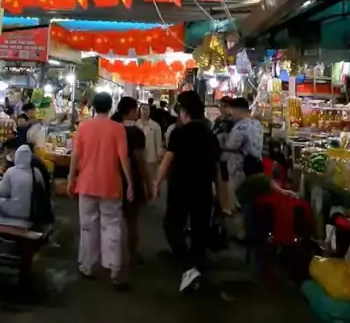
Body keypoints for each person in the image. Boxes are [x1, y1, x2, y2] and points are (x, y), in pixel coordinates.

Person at [154, 91, 220, 293]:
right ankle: (195, 264)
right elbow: (218, 168)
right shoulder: (210, 135)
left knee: (173, 224)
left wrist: (157, 182)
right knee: (200, 228)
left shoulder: (179, 133)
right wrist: (223, 194)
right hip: (204, 189)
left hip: (180, 188)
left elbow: (168, 160)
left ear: (184, 112)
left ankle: (188, 265)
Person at [67, 93, 133, 287]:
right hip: (110, 184)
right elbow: (123, 158)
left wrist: (70, 179)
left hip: (87, 183)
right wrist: (130, 183)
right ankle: (114, 269)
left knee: (88, 226)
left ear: (94, 107)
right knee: (112, 225)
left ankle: (88, 265)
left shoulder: (83, 127)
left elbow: (75, 155)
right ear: (110, 107)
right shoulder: (118, 128)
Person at [112, 97, 150, 265]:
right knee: (132, 220)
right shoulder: (136, 133)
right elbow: (140, 161)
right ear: (132, 111)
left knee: (111, 220)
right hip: (131, 179)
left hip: (111, 178)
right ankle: (132, 255)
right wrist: (148, 183)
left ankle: (112, 255)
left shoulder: (112, 129)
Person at [0, 144, 44, 220]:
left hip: (15, 210)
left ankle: (4, 223)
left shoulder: (11, 171)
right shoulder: (36, 172)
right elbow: (42, 190)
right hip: (33, 210)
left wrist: (2, 183)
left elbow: (3, 192)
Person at [224, 97, 264, 192]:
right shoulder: (257, 124)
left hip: (239, 172)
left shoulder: (241, 127)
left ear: (237, 110)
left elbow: (230, 148)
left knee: (238, 197)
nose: (231, 114)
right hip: (254, 169)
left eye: (232, 111)